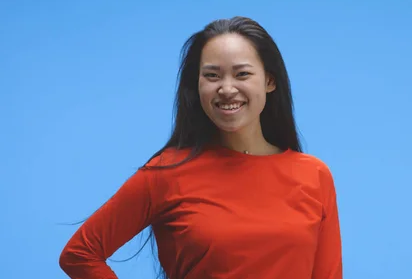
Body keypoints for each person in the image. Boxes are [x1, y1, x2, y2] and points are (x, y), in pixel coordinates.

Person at [58, 16, 343, 279]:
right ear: (196, 85)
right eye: (212, 76)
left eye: (242, 74)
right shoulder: (164, 174)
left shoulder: (314, 176)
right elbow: (79, 255)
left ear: (269, 81)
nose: (227, 88)